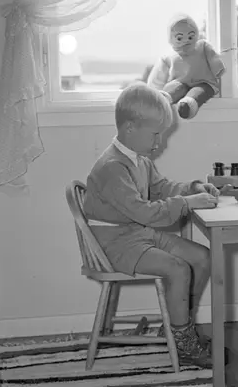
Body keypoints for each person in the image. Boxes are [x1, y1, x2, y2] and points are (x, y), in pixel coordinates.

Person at [83, 82, 219, 368]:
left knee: (202, 257)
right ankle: (183, 342)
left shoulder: (139, 160)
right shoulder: (112, 167)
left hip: (136, 233)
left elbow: (161, 188)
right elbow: (145, 212)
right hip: (114, 244)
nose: (159, 142)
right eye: (155, 134)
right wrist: (187, 203)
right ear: (130, 128)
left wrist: (192, 188)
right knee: (178, 269)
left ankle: (178, 327)